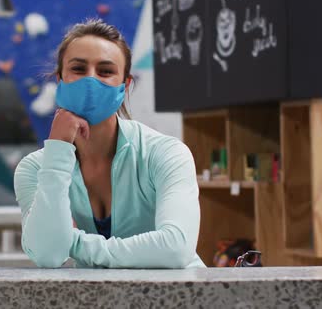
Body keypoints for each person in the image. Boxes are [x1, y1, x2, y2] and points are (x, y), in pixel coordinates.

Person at [14, 18, 205, 268]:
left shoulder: (165, 153)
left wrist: (77, 243)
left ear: (124, 85)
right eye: (79, 69)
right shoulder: (34, 169)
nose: (91, 80)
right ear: (60, 79)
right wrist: (58, 150)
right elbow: (48, 255)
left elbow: (176, 248)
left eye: (105, 71)